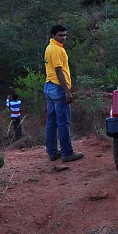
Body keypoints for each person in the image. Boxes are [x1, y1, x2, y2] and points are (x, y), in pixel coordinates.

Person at [44, 24, 83, 163]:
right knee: (63, 122)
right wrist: (67, 91)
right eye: (60, 35)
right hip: (57, 87)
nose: (64, 38)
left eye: (65, 35)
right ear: (53, 35)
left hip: (49, 86)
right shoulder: (55, 50)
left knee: (51, 122)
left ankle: (53, 152)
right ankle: (67, 153)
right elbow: (59, 71)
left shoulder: (51, 47)